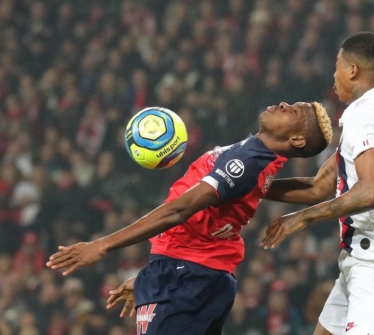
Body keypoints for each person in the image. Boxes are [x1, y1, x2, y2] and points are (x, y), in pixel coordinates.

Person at [46, 101, 333, 335]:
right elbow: (314, 189)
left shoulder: (245, 164)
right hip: (183, 272)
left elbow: (179, 210)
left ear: (296, 138)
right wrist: (154, 275)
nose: (283, 104)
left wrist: (103, 245)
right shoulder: (257, 157)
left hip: (187, 279)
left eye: (293, 111)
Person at [261, 32, 374, 335]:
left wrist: (303, 217)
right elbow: (320, 187)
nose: (333, 75)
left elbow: (372, 191)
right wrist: (253, 187)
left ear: (352, 70)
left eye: (337, 65)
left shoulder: (366, 115)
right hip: (364, 261)